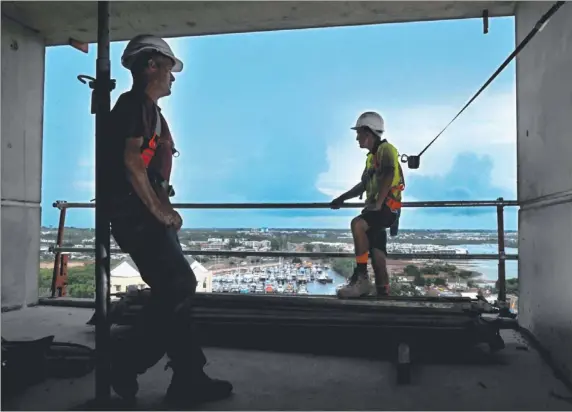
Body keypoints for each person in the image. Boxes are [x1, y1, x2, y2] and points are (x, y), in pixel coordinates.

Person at [104, 34, 233, 407]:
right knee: (179, 286)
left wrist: (164, 211)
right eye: (168, 68)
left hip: (146, 216)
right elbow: (131, 162)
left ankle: (189, 377)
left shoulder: (148, 111)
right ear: (151, 66)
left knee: (175, 294)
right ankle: (127, 361)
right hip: (138, 216)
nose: (173, 77)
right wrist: (159, 211)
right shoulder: (135, 105)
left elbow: (150, 170)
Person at [330, 111, 405, 299]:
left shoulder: (386, 150)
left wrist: (379, 203)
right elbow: (363, 185)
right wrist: (342, 198)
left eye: (359, 133)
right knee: (377, 254)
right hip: (381, 210)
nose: (357, 138)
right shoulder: (372, 157)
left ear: (368, 133)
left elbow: (388, 173)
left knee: (357, 224)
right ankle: (383, 294)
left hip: (385, 208)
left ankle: (361, 278)